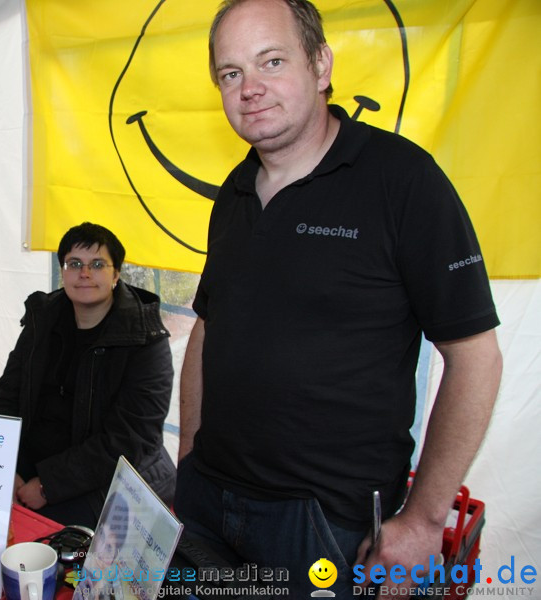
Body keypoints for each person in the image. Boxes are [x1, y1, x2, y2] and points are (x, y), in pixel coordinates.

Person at [175, 1, 503, 598]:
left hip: (321, 526)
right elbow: (206, 327)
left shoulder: (404, 181)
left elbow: (475, 355)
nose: (249, 88)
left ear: (321, 64)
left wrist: (426, 518)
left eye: (271, 61)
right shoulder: (234, 190)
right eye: (230, 73)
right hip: (207, 502)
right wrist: (190, 452)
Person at [0, 222, 176, 528]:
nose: (84, 273)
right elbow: (5, 399)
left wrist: (48, 485)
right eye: (74, 264)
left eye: (98, 264)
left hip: (109, 476)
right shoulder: (42, 320)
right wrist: (6, 466)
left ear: (116, 275)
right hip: (30, 468)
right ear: (63, 272)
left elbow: (131, 439)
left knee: (35, 537)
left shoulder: (146, 339)